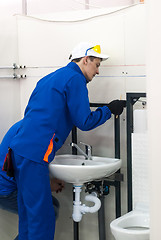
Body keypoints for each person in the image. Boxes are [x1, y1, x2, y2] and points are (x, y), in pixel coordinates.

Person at [8, 42, 126, 240]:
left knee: (29, 215)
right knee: (42, 220)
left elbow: (34, 113)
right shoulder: (75, 79)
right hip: (35, 153)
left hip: (19, 150)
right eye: (96, 65)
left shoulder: (50, 78)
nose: (97, 71)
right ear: (85, 60)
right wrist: (109, 109)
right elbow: (85, 121)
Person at [0, 121, 64, 240]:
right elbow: (27, 172)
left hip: (8, 183)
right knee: (46, 215)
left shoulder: (29, 125)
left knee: (52, 205)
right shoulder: (37, 132)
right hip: (5, 190)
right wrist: (48, 184)